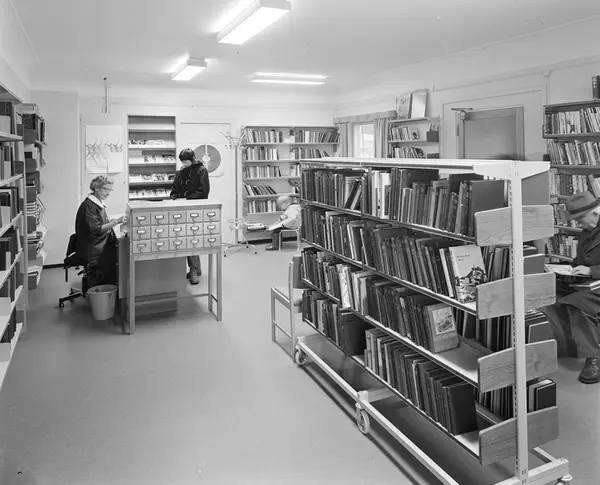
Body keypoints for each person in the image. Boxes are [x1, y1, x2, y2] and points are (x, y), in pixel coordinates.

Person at [549, 191, 600, 384]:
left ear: (595, 213)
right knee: (550, 295)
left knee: (577, 304)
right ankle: (569, 347)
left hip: (596, 283)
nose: (579, 225)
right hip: (588, 282)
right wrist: (568, 269)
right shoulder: (588, 231)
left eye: (580, 220)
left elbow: (589, 267)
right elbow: (581, 260)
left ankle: (594, 357)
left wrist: (591, 270)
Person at [75, 176, 125, 287]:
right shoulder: (89, 206)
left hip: (96, 242)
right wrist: (116, 221)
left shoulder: (96, 203)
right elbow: (96, 229)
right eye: (106, 189)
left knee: (117, 246)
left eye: (110, 190)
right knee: (119, 252)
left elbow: (99, 223)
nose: (108, 193)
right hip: (93, 246)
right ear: (97, 188)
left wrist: (110, 222)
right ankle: (108, 286)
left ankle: (113, 284)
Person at [170, 148, 210, 285]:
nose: (184, 164)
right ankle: (196, 269)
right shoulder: (180, 172)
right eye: (183, 162)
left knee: (190, 239)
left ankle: (193, 270)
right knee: (187, 238)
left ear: (192, 159)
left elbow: (203, 192)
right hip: (180, 209)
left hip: (194, 210)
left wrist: (187, 199)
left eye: (187, 161)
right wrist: (173, 198)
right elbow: (174, 190)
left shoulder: (201, 171)